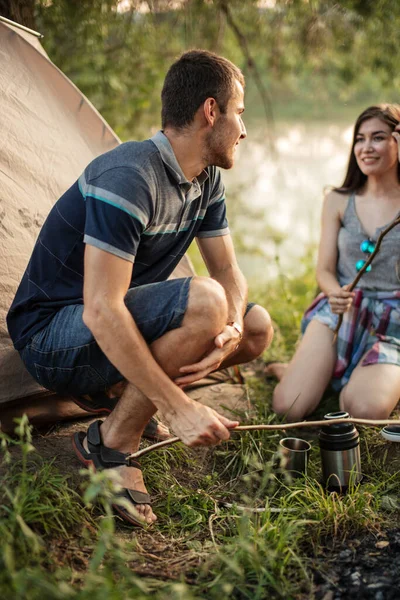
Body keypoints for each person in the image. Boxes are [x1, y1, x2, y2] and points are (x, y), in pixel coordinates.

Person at [7, 50, 273, 526]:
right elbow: (101, 310)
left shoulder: (205, 179)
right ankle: (110, 445)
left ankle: (123, 393)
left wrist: (231, 327)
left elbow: (229, 269)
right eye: (241, 113)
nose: (244, 130)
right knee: (205, 300)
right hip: (51, 337)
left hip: (101, 327)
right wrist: (180, 407)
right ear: (211, 112)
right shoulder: (130, 176)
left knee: (255, 327)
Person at [266, 104, 400, 423]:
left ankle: (368, 375)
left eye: (378, 138)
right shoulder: (338, 200)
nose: (366, 147)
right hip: (341, 310)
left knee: (364, 409)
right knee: (289, 406)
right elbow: (325, 270)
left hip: (394, 319)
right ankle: (310, 369)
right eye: (360, 139)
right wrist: (334, 293)